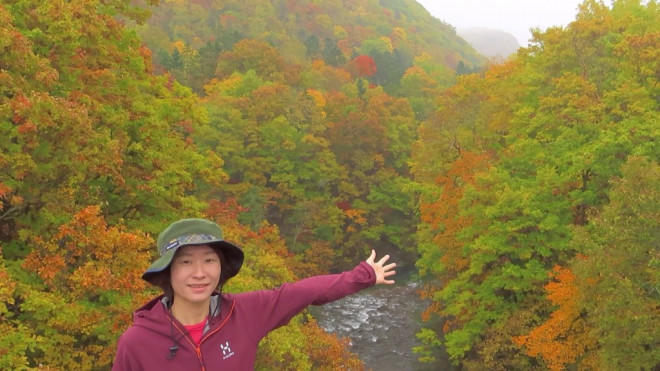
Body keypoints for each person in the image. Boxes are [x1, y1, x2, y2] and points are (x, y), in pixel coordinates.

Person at [112, 218, 396, 370]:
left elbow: (302, 292)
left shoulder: (244, 314)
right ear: (168, 272)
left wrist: (363, 276)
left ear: (221, 268)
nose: (199, 273)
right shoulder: (137, 342)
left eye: (209, 260)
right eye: (186, 261)